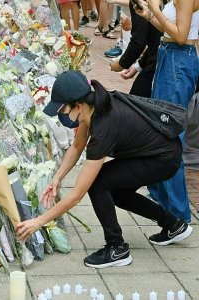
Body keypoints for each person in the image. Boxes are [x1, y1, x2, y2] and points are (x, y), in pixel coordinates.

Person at [16, 70, 193, 269]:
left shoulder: (103, 129)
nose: (61, 116)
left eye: (62, 111)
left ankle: (116, 248)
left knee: (98, 184)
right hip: (157, 152)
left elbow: (76, 195)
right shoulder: (94, 107)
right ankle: (173, 225)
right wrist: (57, 178)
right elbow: (76, 146)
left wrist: (38, 222)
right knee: (116, 193)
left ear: (78, 106)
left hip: (162, 159)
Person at [134, 0, 199, 222]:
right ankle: (164, 201)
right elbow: (170, 29)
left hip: (178, 60)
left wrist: (155, 10)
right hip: (172, 56)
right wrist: (149, 16)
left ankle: (178, 215)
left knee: (169, 136)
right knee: (161, 130)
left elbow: (180, 36)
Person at [110, 0, 164, 98]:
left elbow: (139, 42)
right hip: (161, 56)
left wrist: (121, 64)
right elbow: (158, 37)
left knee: (137, 105)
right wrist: (138, 65)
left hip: (164, 61)